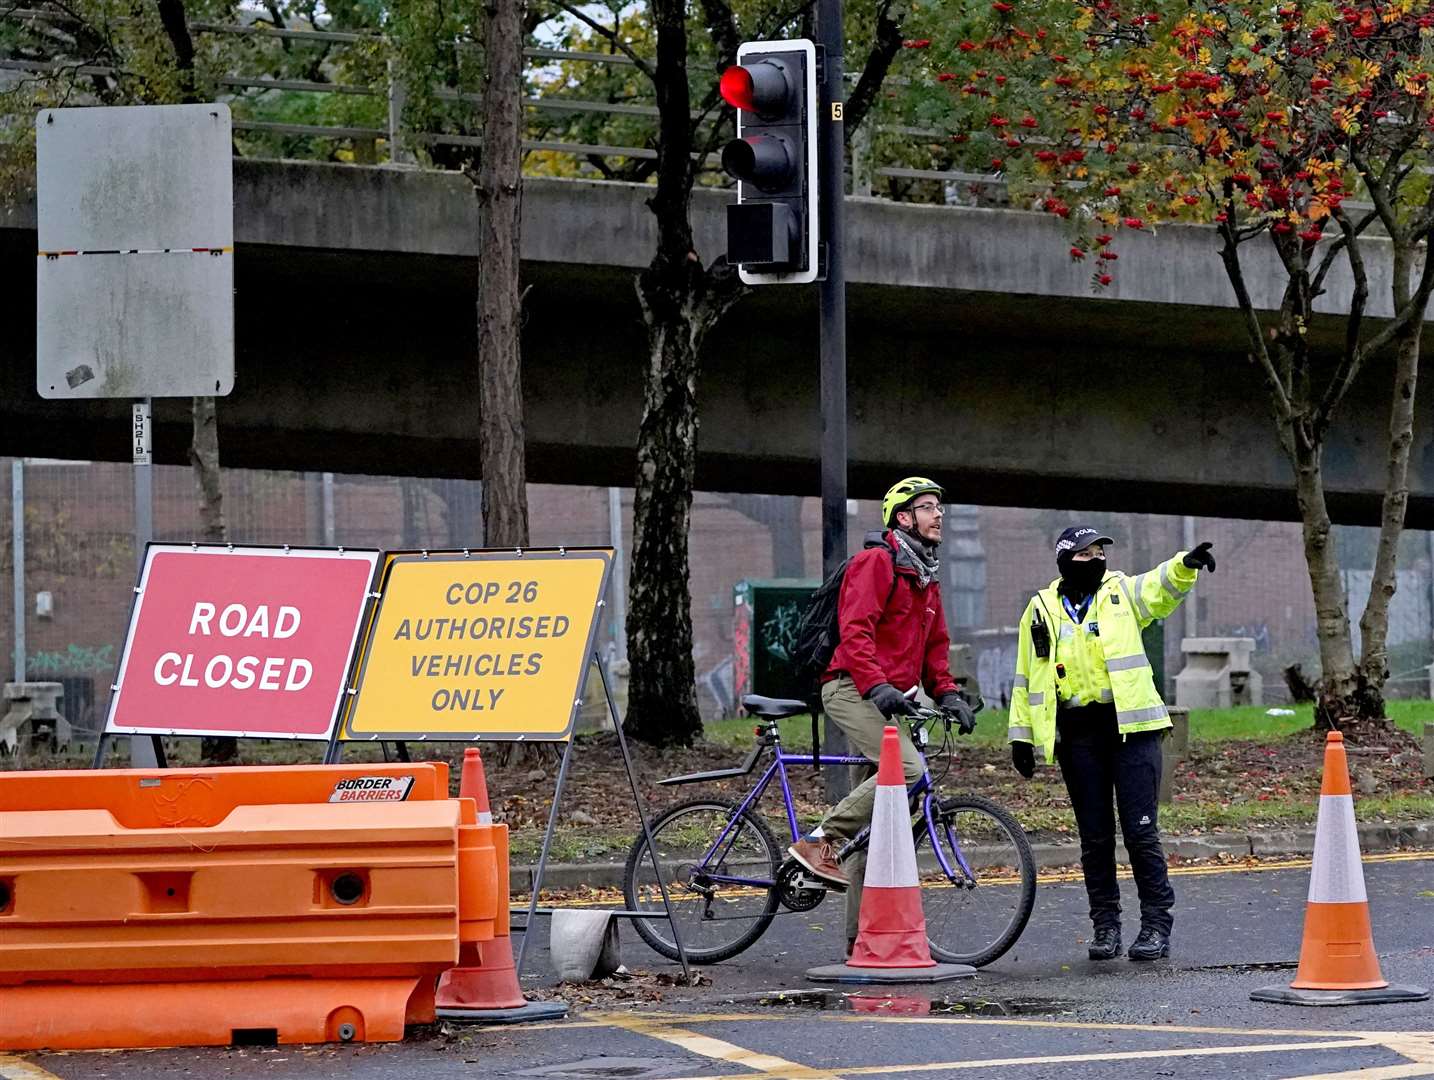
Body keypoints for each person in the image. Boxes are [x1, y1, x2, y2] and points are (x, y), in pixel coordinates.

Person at [788, 476, 976, 955]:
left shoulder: (925, 577)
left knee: (884, 819)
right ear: (904, 517)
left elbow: (935, 648)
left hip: (886, 695)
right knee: (908, 771)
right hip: (850, 687)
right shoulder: (877, 562)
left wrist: (949, 693)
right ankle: (819, 840)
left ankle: (858, 939)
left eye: (940, 508)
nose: (939, 516)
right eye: (929, 508)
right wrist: (877, 686)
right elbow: (856, 631)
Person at [1009, 526, 1215, 962]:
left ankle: (1156, 925)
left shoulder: (1120, 593)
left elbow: (1158, 587)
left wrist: (1186, 565)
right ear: (1065, 560)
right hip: (1079, 736)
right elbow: (1027, 677)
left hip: (1132, 731)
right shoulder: (1041, 609)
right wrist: (1021, 736)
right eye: (1087, 553)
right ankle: (1106, 926)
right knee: (1095, 839)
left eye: (1101, 551)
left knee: (1141, 833)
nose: (1097, 559)